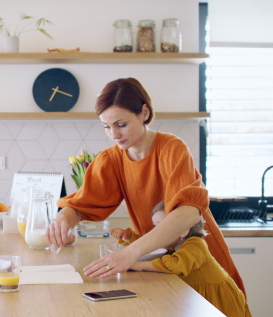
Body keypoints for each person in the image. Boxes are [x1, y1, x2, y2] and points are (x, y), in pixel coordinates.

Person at [45, 77, 246, 296]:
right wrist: (62, 219)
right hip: (158, 265)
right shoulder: (111, 160)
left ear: (144, 113)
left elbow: (188, 213)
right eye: (107, 127)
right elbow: (82, 205)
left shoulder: (172, 148)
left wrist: (132, 252)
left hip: (202, 267)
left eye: (121, 125)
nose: (114, 135)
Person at [129, 201, 253, 317]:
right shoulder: (176, 245)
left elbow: (177, 264)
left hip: (218, 305)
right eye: (156, 227)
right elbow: (153, 247)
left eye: (162, 228)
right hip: (199, 301)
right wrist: (130, 238)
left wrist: (140, 265)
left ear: (183, 231)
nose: (156, 233)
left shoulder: (195, 244)